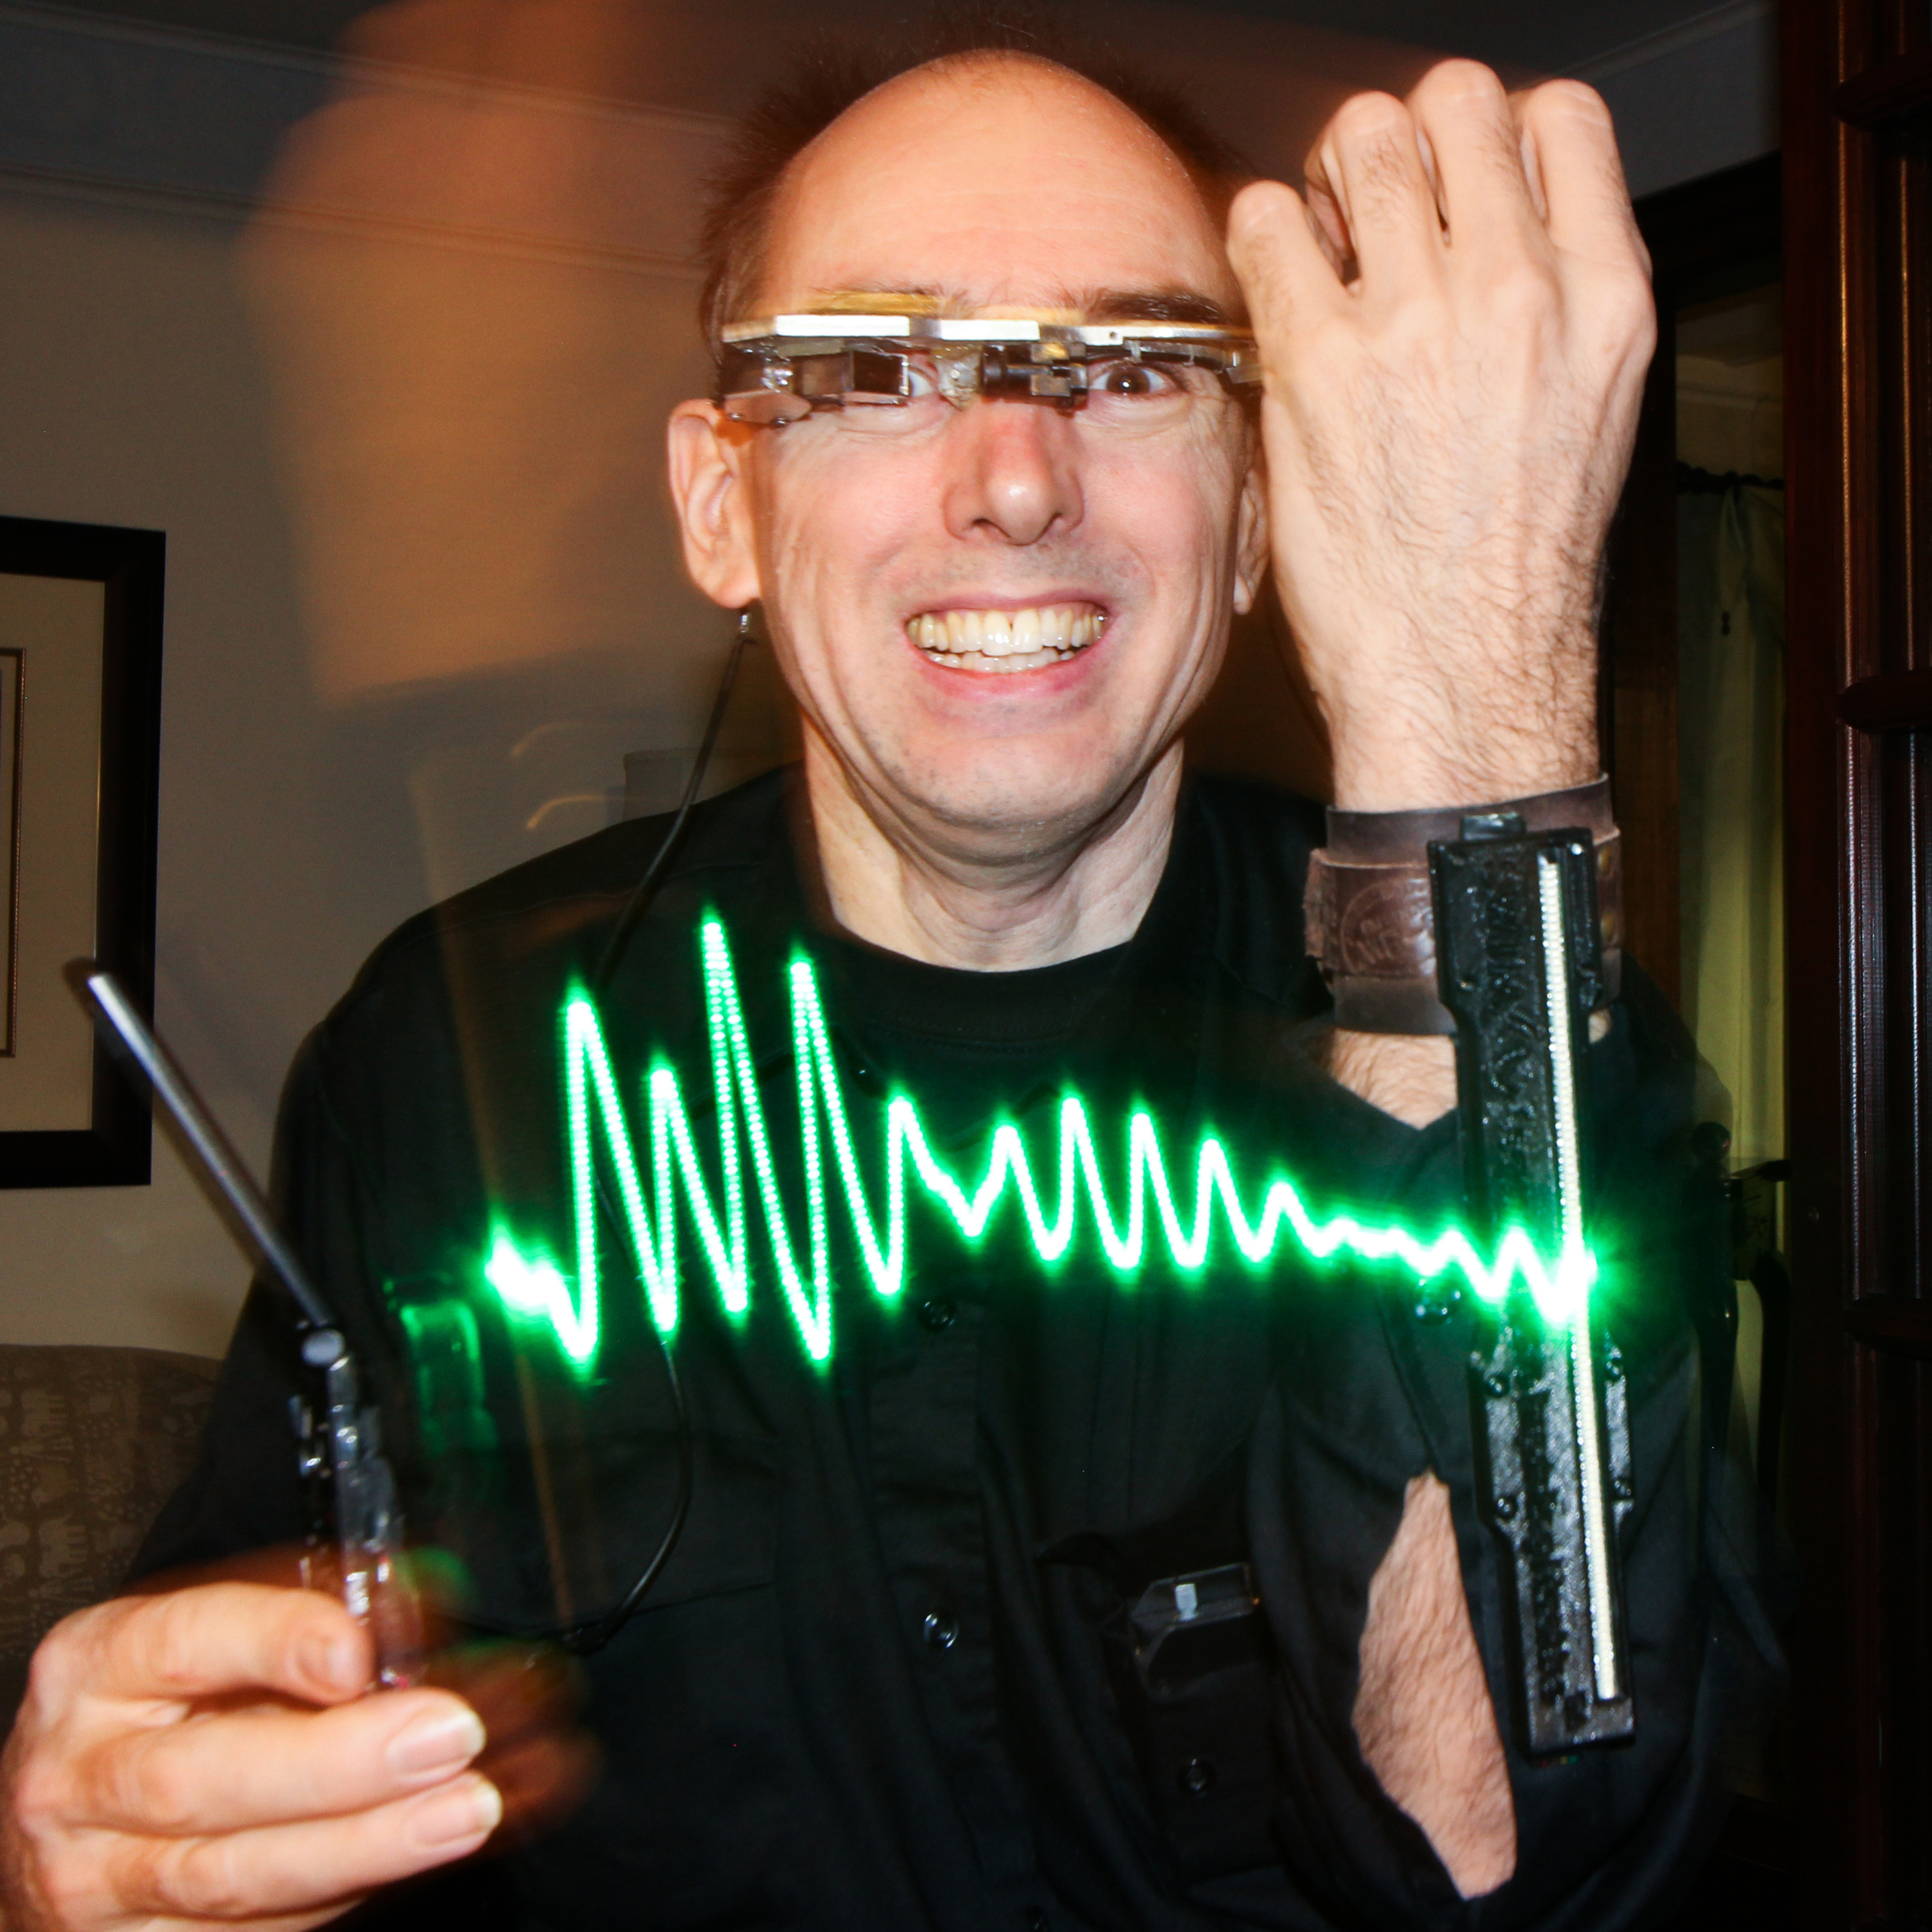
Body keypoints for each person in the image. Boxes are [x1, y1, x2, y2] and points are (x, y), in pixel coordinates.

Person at [0, 34, 1764, 1932]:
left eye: (1136, 368)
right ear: (722, 507)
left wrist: (1471, 733)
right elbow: (232, 1755)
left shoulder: (1540, 1051)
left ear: (1259, 511)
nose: (1015, 478)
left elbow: (1506, 1870)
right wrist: (102, 1861)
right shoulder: (450, 1065)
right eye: (869, 367)